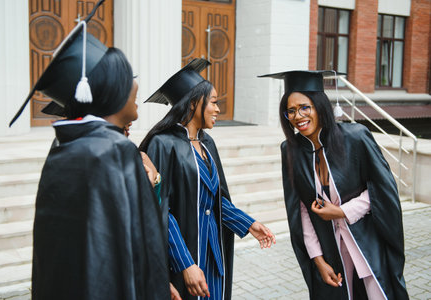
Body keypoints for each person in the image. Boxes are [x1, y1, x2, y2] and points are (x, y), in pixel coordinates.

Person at [9, 3, 170, 298]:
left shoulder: (65, 145)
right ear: (110, 88)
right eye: (128, 76)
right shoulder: (113, 150)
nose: (136, 83)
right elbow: (140, 246)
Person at [259, 70, 409, 299]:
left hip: (366, 242)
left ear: (319, 105)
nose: (298, 116)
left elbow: (382, 190)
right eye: (290, 111)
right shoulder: (291, 150)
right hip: (331, 250)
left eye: (304, 107)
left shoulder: (356, 137)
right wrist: (318, 259)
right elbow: (302, 210)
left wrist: (341, 211)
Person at [139, 58, 276, 300]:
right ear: (193, 104)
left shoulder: (206, 143)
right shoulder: (163, 144)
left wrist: (248, 224)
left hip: (213, 251)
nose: (218, 109)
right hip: (185, 255)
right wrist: (186, 264)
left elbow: (215, 199)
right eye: (213, 102)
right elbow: (160, 209)